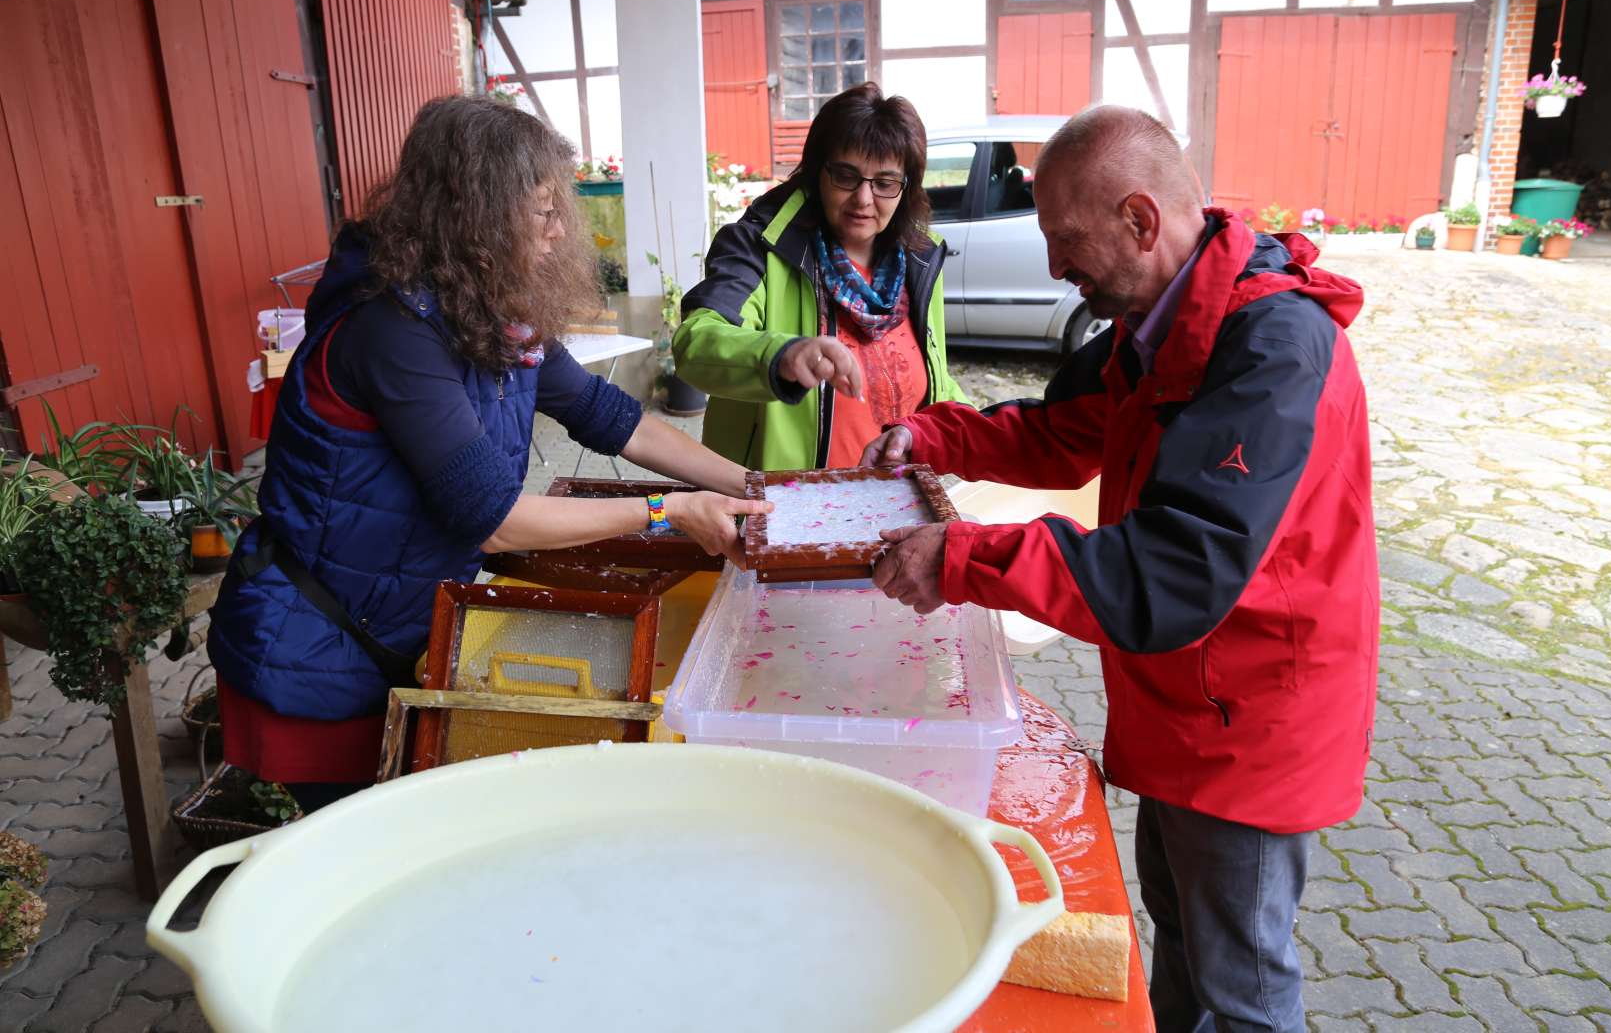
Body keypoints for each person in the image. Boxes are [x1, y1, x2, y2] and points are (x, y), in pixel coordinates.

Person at [866, 105, 1377, 1032]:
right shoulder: (1164, 320)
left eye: (1067, 240)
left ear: (1141, 221)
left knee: (1244, 991)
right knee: (1180, 947)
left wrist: (965, 556)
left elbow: (1174, 573)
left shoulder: (1270, 347)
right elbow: (1064, 436)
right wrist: (931, 434)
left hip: (1248, 727)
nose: (1057, 266)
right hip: (1184, 707)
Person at [208, 95, 766, 811]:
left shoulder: (491, 309)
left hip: (393, 622)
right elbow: (493, 520)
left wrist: (755, 485)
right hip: (316, 643)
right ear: (473, 214)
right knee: (355, 850)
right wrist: (668, 512)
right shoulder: (394, 331)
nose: (562, 230)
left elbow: (608, 417)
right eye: (542, 212)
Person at [674, 82, 969, 470]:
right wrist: (781, 354)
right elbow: (696, 344)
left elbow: (937, 380)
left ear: (905, 188)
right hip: (786, 509)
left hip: (894, 506)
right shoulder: (760, 246)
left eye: (884, 183)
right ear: (817, 174)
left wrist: (980, 433)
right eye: (846, 176)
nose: (864, 199)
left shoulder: (920, 259)